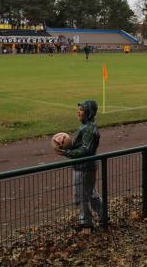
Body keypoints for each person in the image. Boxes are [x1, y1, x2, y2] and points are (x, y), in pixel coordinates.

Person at [55, 100, 102, 234]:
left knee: (82, 196)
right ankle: (103, 216)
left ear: (89, 113)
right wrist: (64, 143)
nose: (78, 112)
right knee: (91, 194)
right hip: (84, 166)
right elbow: (81, 146)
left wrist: (67, 152)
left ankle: (86, 224)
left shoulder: (89, 129)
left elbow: (85, 150)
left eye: (81, 110)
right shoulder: (86, 127)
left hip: (84, 168)